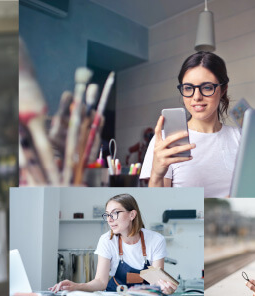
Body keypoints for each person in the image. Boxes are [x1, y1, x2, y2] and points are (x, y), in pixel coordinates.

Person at [139, 51, 241, 197]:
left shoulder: (241, 138)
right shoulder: (165, 141)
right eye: (188, 88)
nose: (196, 97)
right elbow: (157, 208)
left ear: (223, 89)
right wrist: (156, 175)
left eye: (207, 87)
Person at [49, 194, 178, 294]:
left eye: (115, 213)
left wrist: (165, 288)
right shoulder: (106, 240)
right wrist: (77, 286)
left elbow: (156, 281)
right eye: (107, 215)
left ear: (132, 214)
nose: (109, 220)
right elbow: (100, 281)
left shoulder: (156, 240)